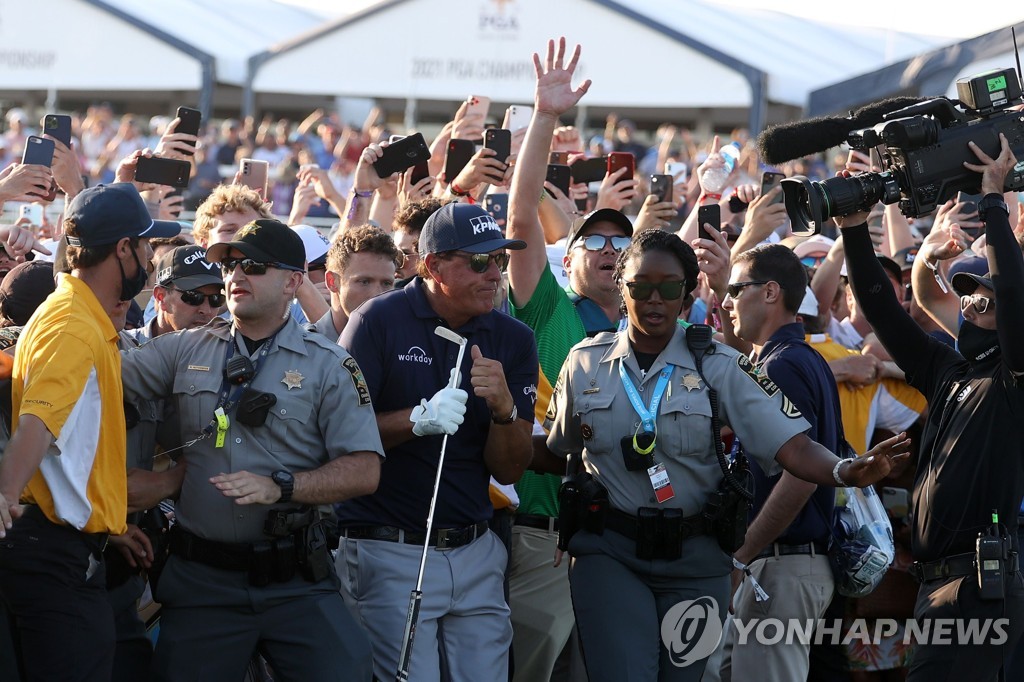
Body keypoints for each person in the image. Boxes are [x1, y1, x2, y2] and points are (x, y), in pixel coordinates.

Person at [537, 229, 909, 682]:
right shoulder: (583, 362)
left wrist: (844, 470)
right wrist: (496, 429)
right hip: (611, 552)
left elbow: (792, 445)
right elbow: (560, 450)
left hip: (695, 559)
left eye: (670, 287)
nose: (654, 299)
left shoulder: (722, 364)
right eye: (640, 287)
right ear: (622, 287)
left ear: (688, 292)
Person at [119, 218, 382, 681]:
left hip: (295, 580)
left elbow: (364, 471)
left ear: (293, 282)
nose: (236, 276)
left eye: (255, 266)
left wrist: (283, 486)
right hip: (204, 583)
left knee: (349, 670)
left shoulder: (330, 364)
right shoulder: (185, 349)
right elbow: (98, 373)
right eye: (231, 265)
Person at [837, 134, 1024, 681]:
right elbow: (883, 309)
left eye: (983, 294)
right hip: (937, 586)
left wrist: (993, 202)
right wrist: (852, 230)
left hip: (984, 585)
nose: (970, 300)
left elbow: (1013, 292)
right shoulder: (948, 369)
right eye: (964, 292)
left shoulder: (1013, 377)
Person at [337, 201, 538, 681]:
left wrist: (506, 411)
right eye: (478, 261)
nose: (494, 274)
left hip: (475, 547)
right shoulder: (376, 321)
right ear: (432, 266)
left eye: (501, 261)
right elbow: (338, 436)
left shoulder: (513, 338)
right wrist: (417, 419)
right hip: (389, 546)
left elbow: (510, 471)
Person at [0, 182, 180, 681]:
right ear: (122, 250)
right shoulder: (74, 325)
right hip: (51, 554)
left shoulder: (76, 315)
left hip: (59, 547)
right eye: (144, 246)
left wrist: (107, 522)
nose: (148, 257)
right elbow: (39, 421)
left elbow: (66, 446)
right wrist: (5, 493)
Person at [716, 244, 843, 682]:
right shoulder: (790, 358)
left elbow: (801, 476)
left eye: (736, 289)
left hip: (782, 563)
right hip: (779, 565)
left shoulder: (784, 365)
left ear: (771, 292)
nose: (727, 301)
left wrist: (742, 554)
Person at [312, 224, 403, 342]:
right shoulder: (304, 352)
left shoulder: (404, 345)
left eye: (386, 283)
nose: (377, 295)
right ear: (332, 281)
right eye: (364, 282)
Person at [138, 244, 224, 340]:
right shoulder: (123, 348)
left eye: (216, 299)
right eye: (193, 297)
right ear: (160, 297)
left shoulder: (228, 352)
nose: (206, 310)